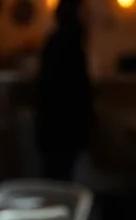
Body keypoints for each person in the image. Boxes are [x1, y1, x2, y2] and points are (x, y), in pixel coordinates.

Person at [35, 0, 93, 181]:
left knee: (54, 177)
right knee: (62, 177)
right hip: (66, 126)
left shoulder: (54, 42)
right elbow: (79, 88)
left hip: (52, 126)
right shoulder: (72, 44)